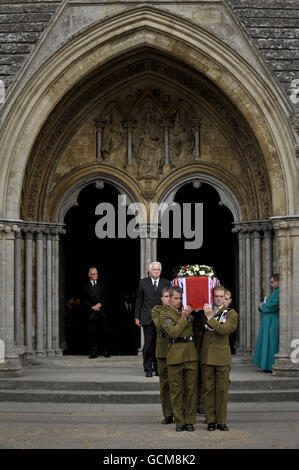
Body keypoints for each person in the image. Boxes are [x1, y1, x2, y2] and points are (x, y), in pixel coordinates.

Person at [160, 286, 198, 432]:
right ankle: (179, 422)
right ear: (169, 299)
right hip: (175, 354)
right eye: (175, 298)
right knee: (176, 390)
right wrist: (183, 317)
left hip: (190, 353)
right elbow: (174, 332)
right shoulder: (164, 315)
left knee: (191, 389)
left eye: (180, 298)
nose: (178, 301)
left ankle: (190, 420)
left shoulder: (189, 311)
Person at [200, 285, 238, 431]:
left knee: (222, 390)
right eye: (216, 296)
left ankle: (221, 421)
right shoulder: (205, 311)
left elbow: (225, 330)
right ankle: (210, 420)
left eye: (221, 296)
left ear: (225, 298)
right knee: (208, 389)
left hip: (222, 356)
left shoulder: (231, 313)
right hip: (207, 355)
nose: (218, 299)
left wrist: (210, 317)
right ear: (213, 296)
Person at [135, 262, 170, 377]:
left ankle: (157, 367)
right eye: (154, 269)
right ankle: (148, 368)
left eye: (158, 269)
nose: (156, 271)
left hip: (161, 318)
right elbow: (139, 300)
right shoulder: (143, 282)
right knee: (148, 344)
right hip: (147, 317)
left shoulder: (166, 283)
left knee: (159, 344)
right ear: (150, 271)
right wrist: (137, 316)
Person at [151, 287, 173, 425]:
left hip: (176, 349)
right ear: (161, 298)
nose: (169, 299)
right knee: (165, 384)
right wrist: (173, 319)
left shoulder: (178, 310)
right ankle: (168, 414)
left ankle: (179, 412)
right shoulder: (157, 310)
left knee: (177, 384)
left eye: (171, 296)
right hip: (163, 350)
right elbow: (160, 326)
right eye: (166, 296)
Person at [81, 266, 110, 358]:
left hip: (102, 312)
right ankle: (94, 352)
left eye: (96, 273)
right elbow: (83, 299)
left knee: (104, 332)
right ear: (89, 275)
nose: (95, 275)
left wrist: (100, 304)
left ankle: (105, 351)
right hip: (91, 313)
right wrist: (92, 307)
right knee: (92, 333)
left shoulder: (102, 284)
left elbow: (107, 296)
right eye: (93, 274)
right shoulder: (85, 286)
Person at [253, 273, 280, 373]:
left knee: (271, 342)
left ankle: (270, 365)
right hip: (268, 320)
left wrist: (262, 306)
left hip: (273, 321)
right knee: (267, 342)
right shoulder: (275, 292)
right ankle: (266, 365)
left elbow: (275, 305)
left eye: (272, 282)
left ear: (278, 281)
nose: (271, 284)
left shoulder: (280, 292)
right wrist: (262, 306)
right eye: (270, 282)